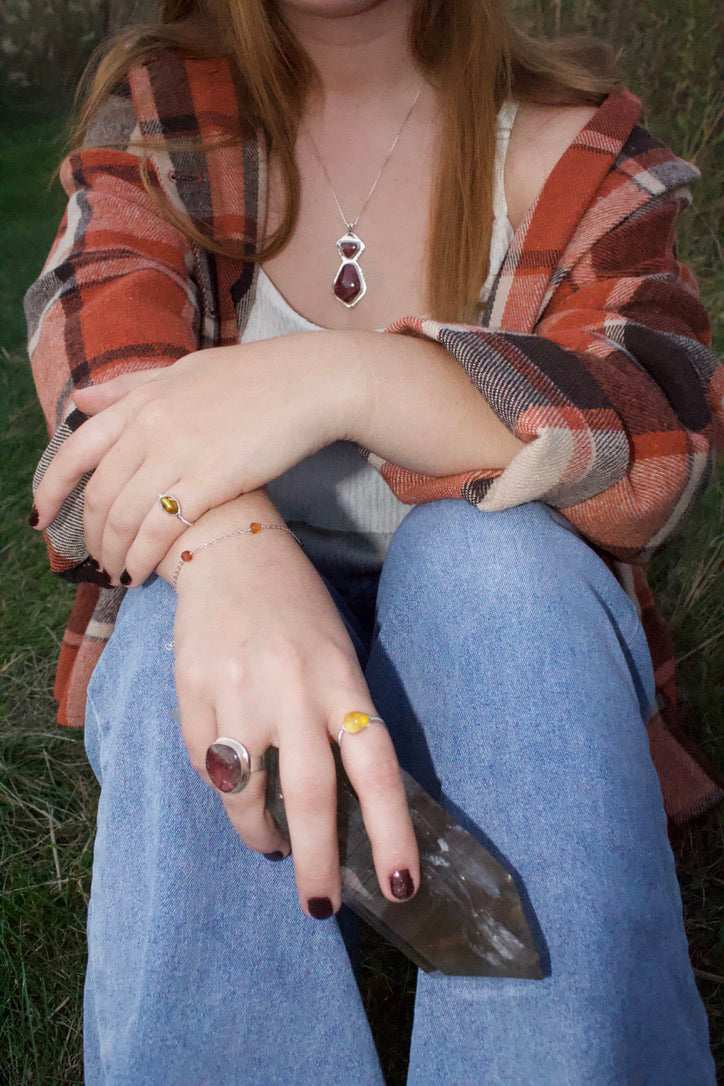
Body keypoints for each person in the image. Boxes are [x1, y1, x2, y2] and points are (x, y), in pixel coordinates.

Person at [25, 0, 722, 1082]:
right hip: (245, 734)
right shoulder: (164, 125)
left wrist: (348, 378)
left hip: (504, 720)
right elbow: (97, 401)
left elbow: (657, 446)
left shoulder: (575, 149)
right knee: (168, 618)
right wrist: (233, 550)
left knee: (494, 564)